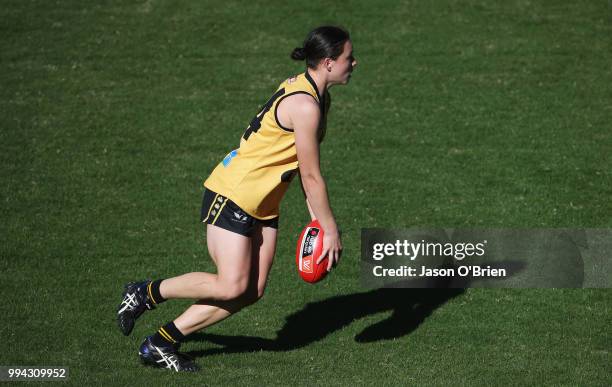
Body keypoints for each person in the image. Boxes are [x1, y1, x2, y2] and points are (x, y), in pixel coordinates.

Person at [116, 25, 357, 372]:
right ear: (330, 63)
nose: (355, 63)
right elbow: (311, 175)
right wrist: (330, 229)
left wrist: (317, 221)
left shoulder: (316, 96)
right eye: (349, 57)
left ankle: (160, 343)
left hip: (263, 202)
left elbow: (301, 170)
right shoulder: (305, 106)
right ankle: (144, 293)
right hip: (233, 195)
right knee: (230, 284)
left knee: (250, 291)